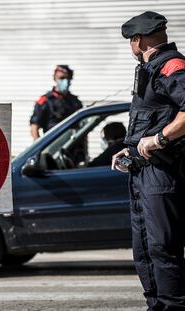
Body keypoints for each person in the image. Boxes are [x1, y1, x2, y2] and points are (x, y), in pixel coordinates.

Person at [112, 11, 185, 310]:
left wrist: (160, 139)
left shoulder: (172, 65)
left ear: (138, 40)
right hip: (142, 174)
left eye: (131, 40)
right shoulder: (150, 69)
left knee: (162, 249)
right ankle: (156, 305)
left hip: (162, 174)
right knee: (144, 250)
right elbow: (149, 119)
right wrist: (128, 150)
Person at [30, 65, 82, 140]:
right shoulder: (46, 101)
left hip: (72, 146)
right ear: (55, 79)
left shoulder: (75, 102)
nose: (65, 81)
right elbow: (34, 127)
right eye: (62, 78)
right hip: (53, 147)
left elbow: (82, 127)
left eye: (68, 78)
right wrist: (40, 149)